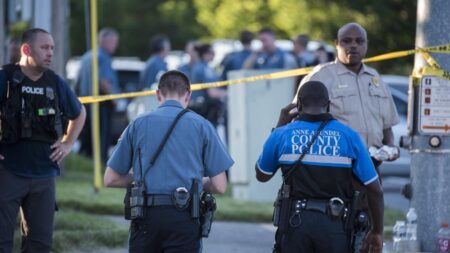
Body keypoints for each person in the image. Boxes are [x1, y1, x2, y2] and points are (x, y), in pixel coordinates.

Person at [294, 22, 399, 251]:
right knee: (336, 237)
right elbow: (298, 121)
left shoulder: (376, 79)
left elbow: (387, 127)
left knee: (369, 236)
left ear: (366, 45)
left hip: (371, 170)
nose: (354, 46)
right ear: (336, 44)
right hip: (335, 172)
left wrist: (390, 148)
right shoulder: (321, 76)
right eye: (347, 41)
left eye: (359, 41)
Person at [104, 70, 233, 253]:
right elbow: (220, 186)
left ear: (158, 94)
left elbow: (110, 179)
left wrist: (139, 177)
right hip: (184, 217)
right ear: (188, 95)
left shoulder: (137, 124)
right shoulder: (203, 126)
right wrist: (198, 182)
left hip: (145, 216)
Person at [256, 81, 384, 253]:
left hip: (295, 225)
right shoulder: (349, 136)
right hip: (336, 227)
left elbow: (262, 175)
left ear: (299, 104)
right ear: (328, 105)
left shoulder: (282, 134)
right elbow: (375, 190)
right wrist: (377, 231)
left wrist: (280, 124)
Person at [0, 28, 86, 252]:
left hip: (43, 175)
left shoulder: (55, 83)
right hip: (7, 171)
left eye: (52, 48)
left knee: (40, 244)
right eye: (44, 47)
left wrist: (67, 143)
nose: (50, 53)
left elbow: (79, 113)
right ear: (26, 49)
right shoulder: (5, 78)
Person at [76, 27, 120, 164]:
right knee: (101, 139)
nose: (115, 45)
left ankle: (85, 163)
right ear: (105, 41)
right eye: (113, 42)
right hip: (101, 103)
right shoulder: (103, 57)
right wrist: (114, 100)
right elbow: (104, 81)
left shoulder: (86, 56)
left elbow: (78, 83)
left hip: (86, 104)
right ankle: (99, 165)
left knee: (87, 138)